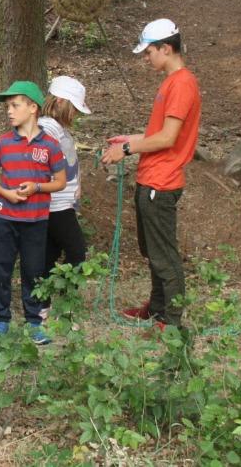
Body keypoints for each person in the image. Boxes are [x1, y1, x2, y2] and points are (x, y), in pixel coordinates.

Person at [102, 18, 201, 328]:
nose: (146, 58)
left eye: (149, 52)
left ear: (166, 48)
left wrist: (127, 149)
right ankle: (157, 307)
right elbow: (160, 133)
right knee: (152, 250)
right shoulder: (171, 82)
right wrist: (130, 139)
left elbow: (168, 139)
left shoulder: (182, 83)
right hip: (151, 178)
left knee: (164, 255)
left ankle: (170, 322)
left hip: (162, 181)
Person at [0, 81, 67, 344]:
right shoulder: (3, 143)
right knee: (1, 267)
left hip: (35, 219)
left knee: (33, 270)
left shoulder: (51, 145)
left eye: (15, 105)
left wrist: (37, 187)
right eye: (7, 106)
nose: (9, 111)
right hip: (4, 218)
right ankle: (0, 317)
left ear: (33, 108)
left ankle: (33, 322)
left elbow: (60, 182)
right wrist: (6, 193)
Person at [38, 76, 91, 317]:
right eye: (73, 108)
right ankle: (65, 302)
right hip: (56, 204)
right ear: (59, 101)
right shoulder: (47, 128)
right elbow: (44, 159)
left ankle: (43, 303)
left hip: (62, 202)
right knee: (76, 251)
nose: (75, 114)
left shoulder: (58, 129)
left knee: (49, 252)